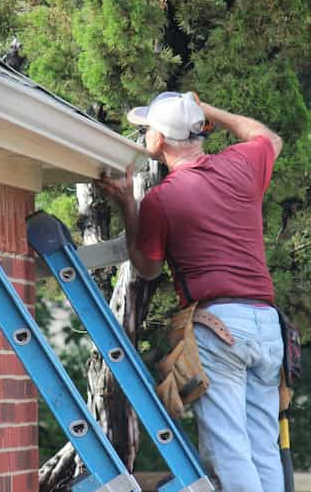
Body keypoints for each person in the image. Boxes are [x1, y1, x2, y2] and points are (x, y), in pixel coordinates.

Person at [97, 91, 285, 492]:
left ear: (159, 140)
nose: (144, 134)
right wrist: (209, 110)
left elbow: (146, 267)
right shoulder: (241, 165)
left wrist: (129, 206)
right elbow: (268, 137)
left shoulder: (163, 200)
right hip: (268, 325)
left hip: (220, 329)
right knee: (263, 447)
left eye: (147, 128)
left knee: (229, 451)